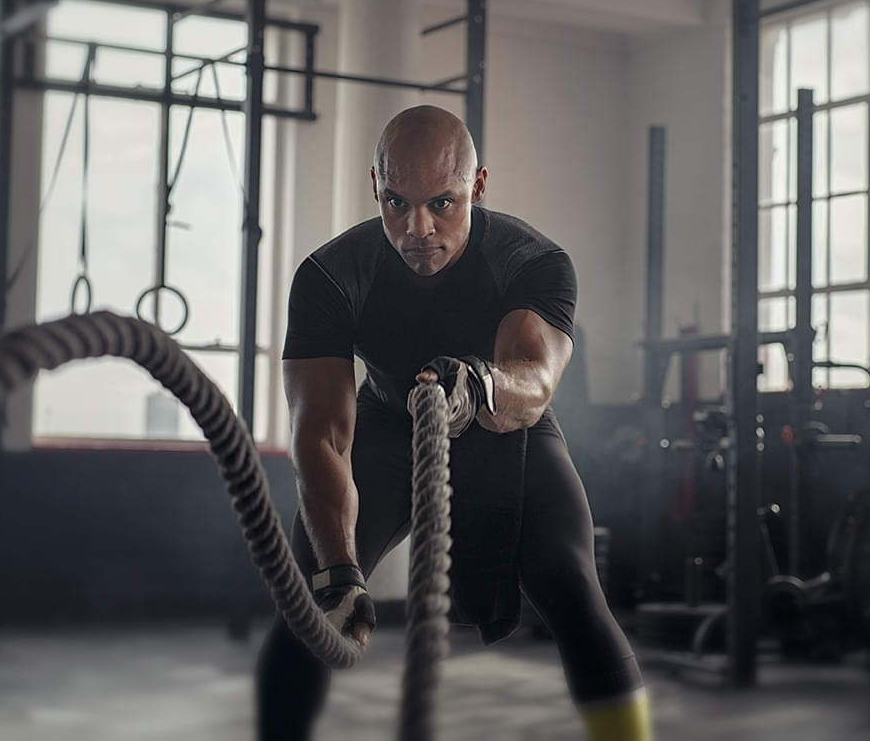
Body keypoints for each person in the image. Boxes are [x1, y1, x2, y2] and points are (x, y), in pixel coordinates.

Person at [255, 105, 652, 740]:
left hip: (503, 421)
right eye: (396, 202)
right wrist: (339, 567)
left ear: (479, 186)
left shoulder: (532, 261)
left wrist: (479, 384)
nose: (418, 228)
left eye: (442, 202)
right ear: (375, 187)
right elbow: (323, 432)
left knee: (572, 584)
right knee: (310, 605)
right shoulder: (330, 277)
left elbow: (535, 382)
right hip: (387, 423)